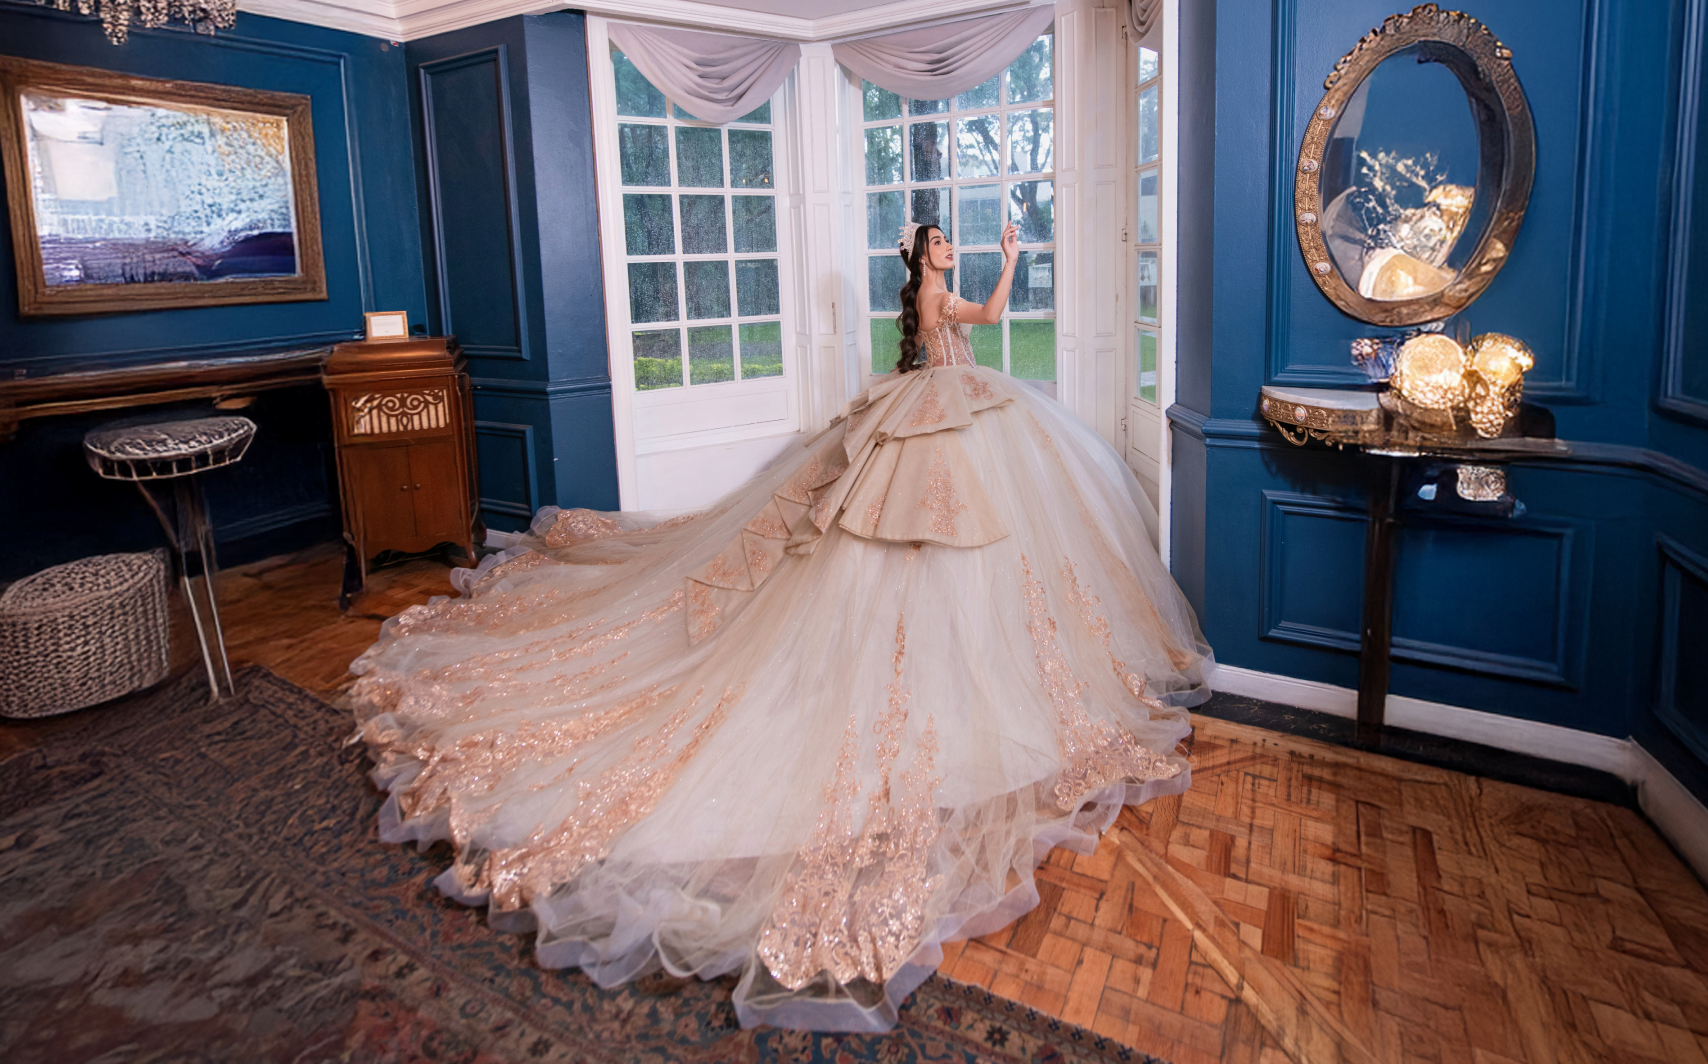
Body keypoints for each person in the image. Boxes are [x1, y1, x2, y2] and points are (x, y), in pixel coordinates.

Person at [348, 218, 1213, 1032]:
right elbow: (983, 314)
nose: (950, 251)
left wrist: (1005, 260)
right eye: (941, 244)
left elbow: (970, 329)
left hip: (952, 412)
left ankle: (961, 655)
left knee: (961, 546)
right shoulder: (934, 298)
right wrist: (1013, 259)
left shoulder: (929, 308)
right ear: (923, 263)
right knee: (905, 539)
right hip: (939, 416)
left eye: (951, 242)